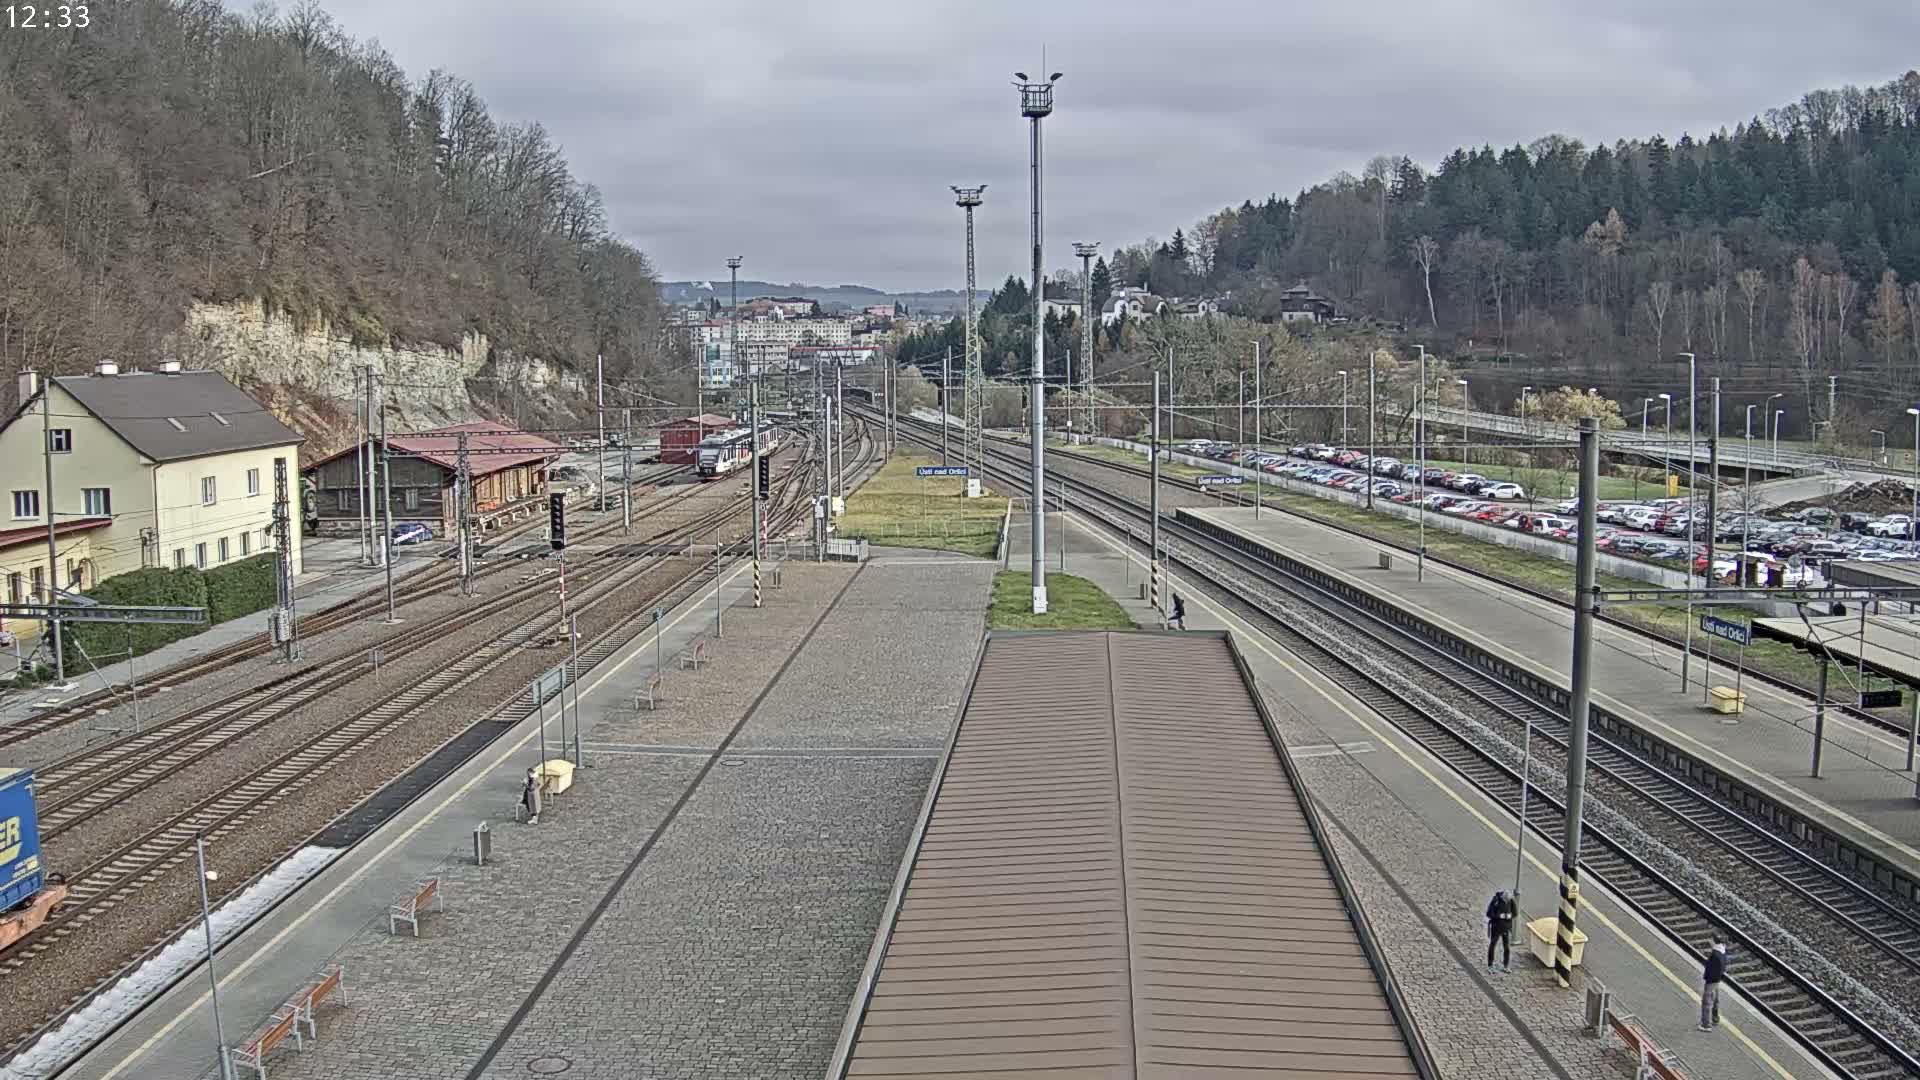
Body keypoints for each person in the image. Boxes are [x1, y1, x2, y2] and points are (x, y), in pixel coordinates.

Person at [1699, 938, 1727, 1030]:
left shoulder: (1715, 955)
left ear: (1714, 942)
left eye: (1710, 940)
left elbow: (1711, 968)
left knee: (1707, 1001)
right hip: (1717, 980)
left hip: (1711, 981)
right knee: (1715, 1000)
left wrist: (1708, 978)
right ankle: (1715, 1018)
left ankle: (1706, 1024)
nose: (1709, 942)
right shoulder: (1722, 952)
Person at [1485, 889, 1516, 973]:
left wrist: (1509, 916)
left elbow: (1515, 913)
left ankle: (1506, 965)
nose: (1507, 901)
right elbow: (1489, 913)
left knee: (1507, 947)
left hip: (1506, 927)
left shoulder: (1511, 900)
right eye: (1505, 900)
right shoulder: (1496, 900)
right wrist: (1499, 916)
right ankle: (1490, 965)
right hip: (1496, 927)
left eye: (1508, 900)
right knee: (1493, 944)